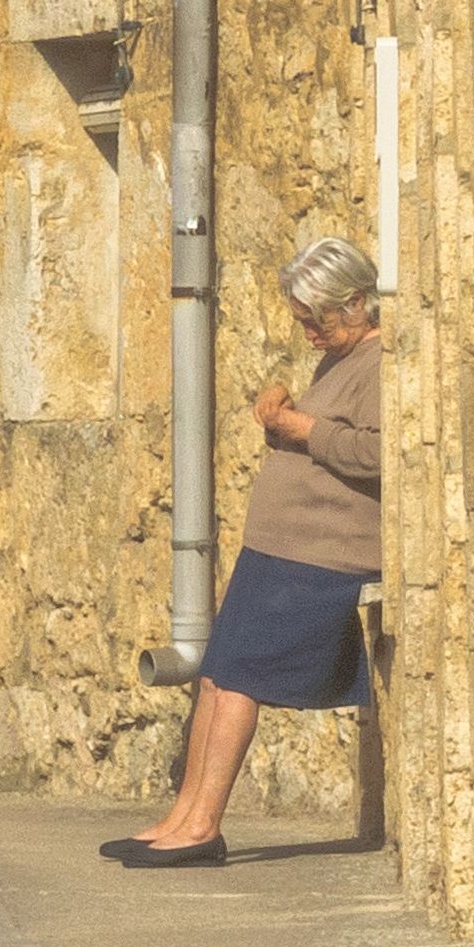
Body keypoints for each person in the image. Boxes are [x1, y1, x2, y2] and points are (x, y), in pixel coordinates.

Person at [108, 236, 383, 869]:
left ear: (359, 303)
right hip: (282, 547)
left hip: (322, 555)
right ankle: (182, 815)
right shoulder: (341, 360)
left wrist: (300, 428)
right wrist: (286, 412)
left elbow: (375, 452)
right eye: (302, 321)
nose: (311, 333)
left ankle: (204, 826)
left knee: (238, 681)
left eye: (319, 319)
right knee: (216, 674)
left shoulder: (381, 362)